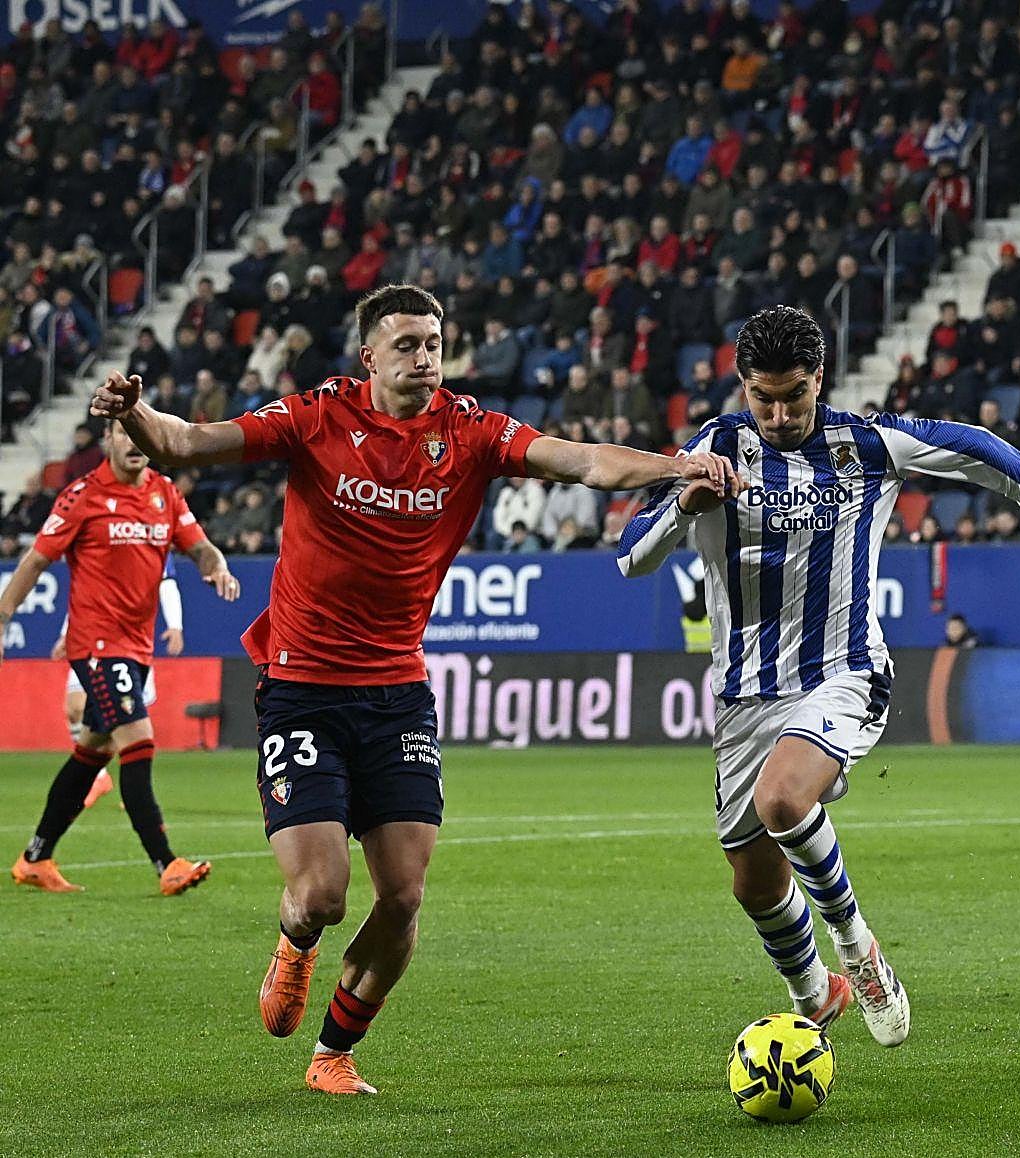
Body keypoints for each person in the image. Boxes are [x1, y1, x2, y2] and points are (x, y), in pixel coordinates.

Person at [86, 283, 736, 1096]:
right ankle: (295, 942)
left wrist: (681, 467)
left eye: (433, 342)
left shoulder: (467, 429)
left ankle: (333, 1054)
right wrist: (139, 418)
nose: (424, 356)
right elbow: (189, 443)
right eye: (406, 344)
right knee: (321, 892)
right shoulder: (316, 417)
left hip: (397, 693)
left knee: (403, 898)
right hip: (302, 686)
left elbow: (583, 459)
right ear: (369, 357)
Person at [616, 306, 1020, 1047]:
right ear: (741, 386)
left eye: (793, 395)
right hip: (742, 697)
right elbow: (630, 555)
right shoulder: (713, 448)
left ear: (819, 379)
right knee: (755, 883)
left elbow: (976, 449)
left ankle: (860, 950)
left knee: (783, 795)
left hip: (846, 670)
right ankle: (813, 990)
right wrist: (683, 501)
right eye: (762, 397)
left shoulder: (867, 445)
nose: (777, 413)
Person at [0, 420, 241, 894]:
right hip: (96, 645)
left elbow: (200, 548)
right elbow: (36, 560)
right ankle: (166, 864)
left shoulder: (165, 494)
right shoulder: (81, 496)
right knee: (139, 740)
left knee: (93, 750)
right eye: (123, 433)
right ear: (108, 439)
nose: (133, 443)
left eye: (140, 434)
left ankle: (35, 857)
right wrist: (5, 611)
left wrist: (218, 568)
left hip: (136, 647)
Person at [51, 559, 184, 811]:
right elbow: (82, 593)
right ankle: (100, 779)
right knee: (74, 708)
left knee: (125, 727)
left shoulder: (148, 536)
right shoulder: (96, 544)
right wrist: (65, 633)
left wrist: (175, 626)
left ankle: (134, 788)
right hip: (87, 642)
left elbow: (166, 583)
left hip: (126, 647)